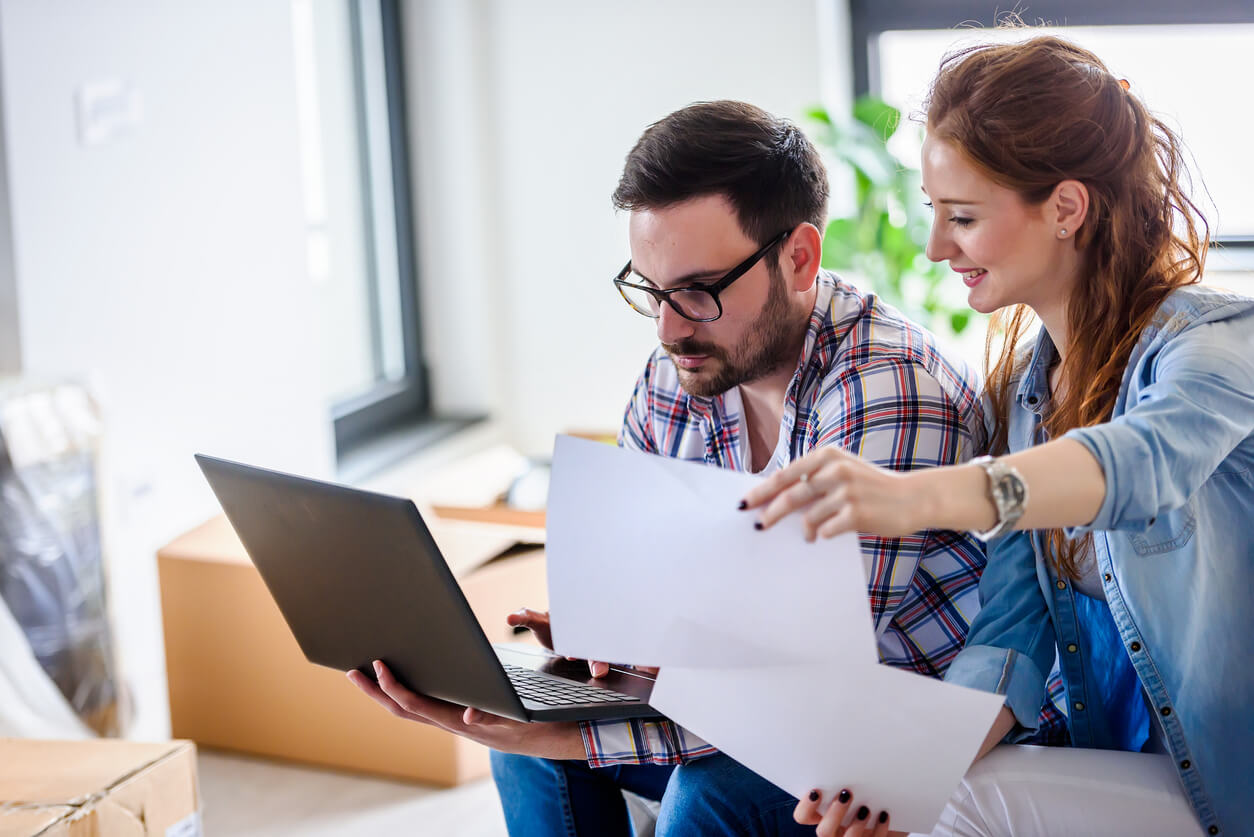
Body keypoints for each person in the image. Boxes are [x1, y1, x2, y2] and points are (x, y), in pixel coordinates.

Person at [349, 100, 1027, 836]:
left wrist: (576, 733)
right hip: (756, 689)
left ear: (800, 257)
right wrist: (607, 638)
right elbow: (660, 586)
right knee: (523, 741)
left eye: (699, 291)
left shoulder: (888, 388)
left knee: (707, 795)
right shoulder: (681, 371)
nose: (671, 329)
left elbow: (812, 688)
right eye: (652, 290)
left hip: (895, 714)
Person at [745, 36, 1253, 837]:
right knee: (939, 789)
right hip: (1138, 774)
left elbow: (1139, 465)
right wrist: (894, 786)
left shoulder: (1216, 347)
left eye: (965, 217)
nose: (938, 246)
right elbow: (1010, 638)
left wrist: (921, 496)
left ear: (1065, 208)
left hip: (1231, 783)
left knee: (969, 799)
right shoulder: (1029, 394)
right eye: (934, 213)